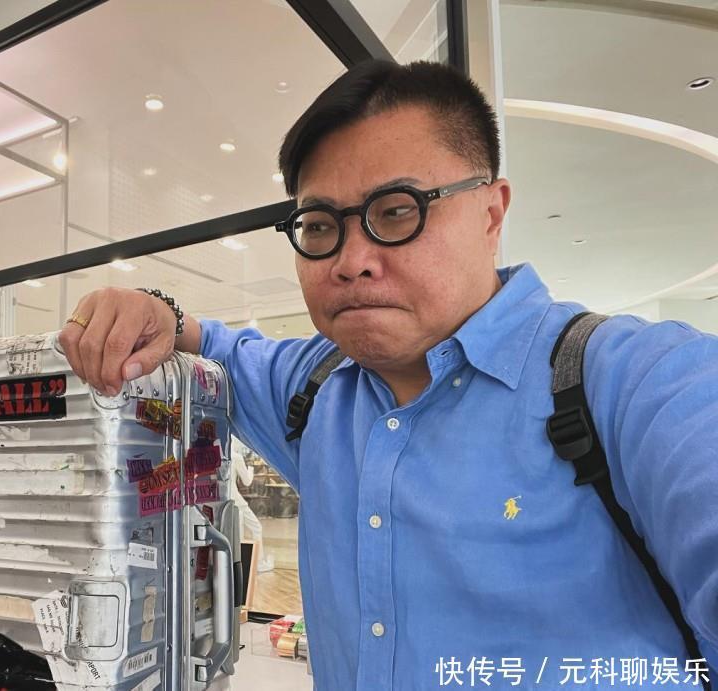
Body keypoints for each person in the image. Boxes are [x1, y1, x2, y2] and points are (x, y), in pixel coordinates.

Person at [58, 60, 718, 690]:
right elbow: (211, 344)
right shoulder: (316, 388)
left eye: (397, 210)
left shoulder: (639, 382)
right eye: (320, 225)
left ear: (491, 213)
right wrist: (153, 309)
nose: (352, 260)